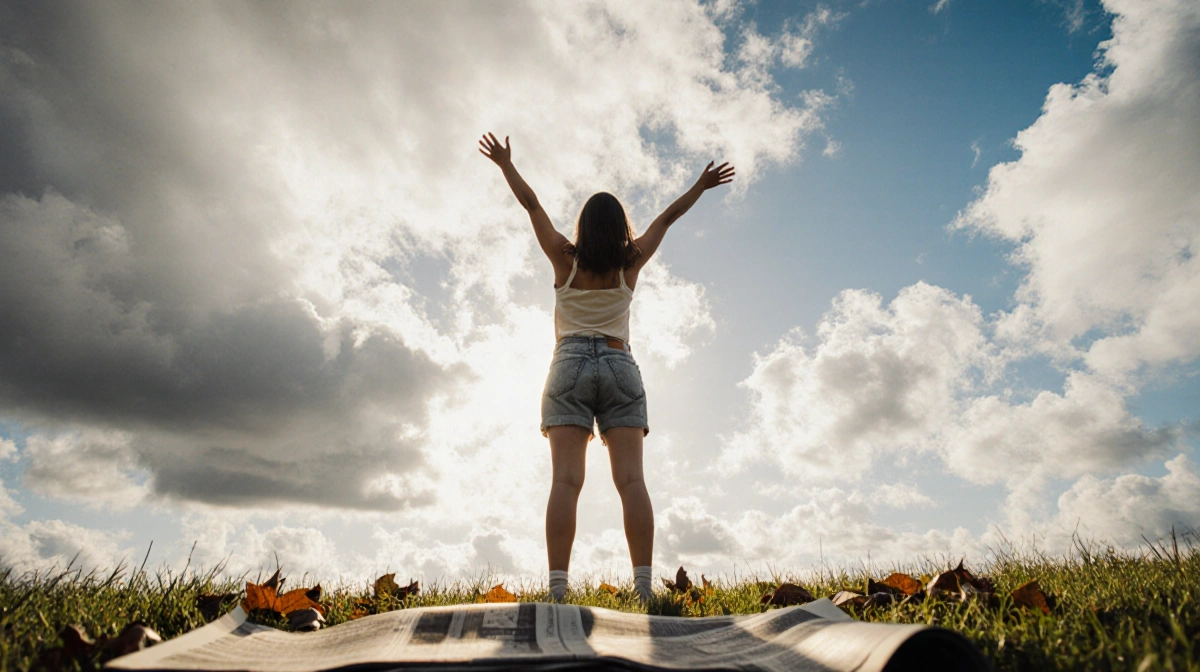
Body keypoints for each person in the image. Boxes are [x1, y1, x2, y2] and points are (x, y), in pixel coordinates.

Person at [479, 133, 734, 603]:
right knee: (632, 481)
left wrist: (505, 165)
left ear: (583, 225)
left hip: (569, 364)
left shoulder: (563, 258)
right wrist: (700, 186)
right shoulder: (629, 262)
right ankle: (642, 591)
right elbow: (667, 218)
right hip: (619, 363)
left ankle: (558, 592)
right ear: (619, 227)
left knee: (565, 483)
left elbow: (532, 205)